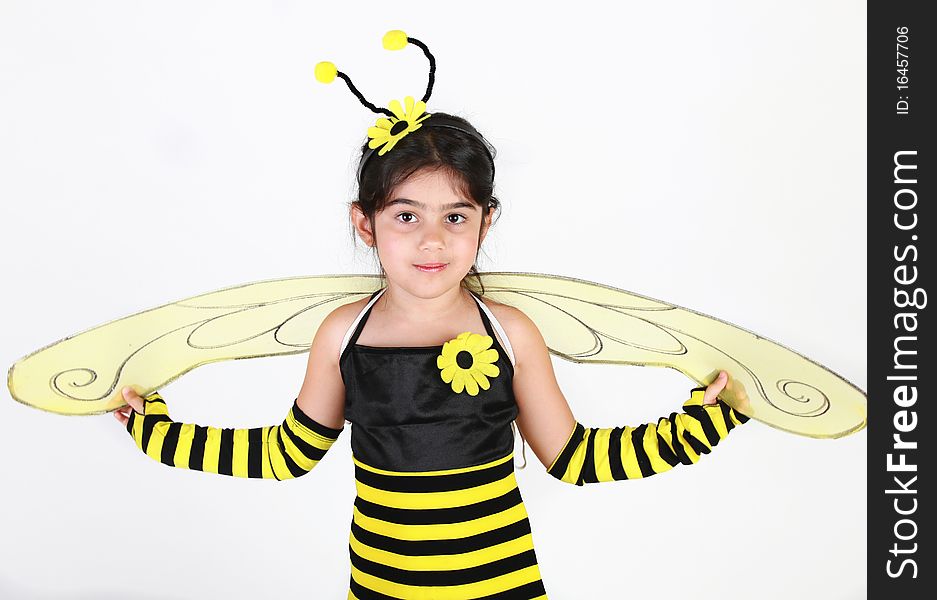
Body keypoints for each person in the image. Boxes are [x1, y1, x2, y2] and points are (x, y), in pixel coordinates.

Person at [113, 31, 749, 600]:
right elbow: (286, 454)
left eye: (455, 217)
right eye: (406, 216)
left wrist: (702, 422)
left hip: (502, 590)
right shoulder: (343, 335)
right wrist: (156, 431)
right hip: (383, 592)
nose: (433, 241)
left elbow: (574, 457)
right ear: (365, 223)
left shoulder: (508, 331)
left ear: (485, 221)